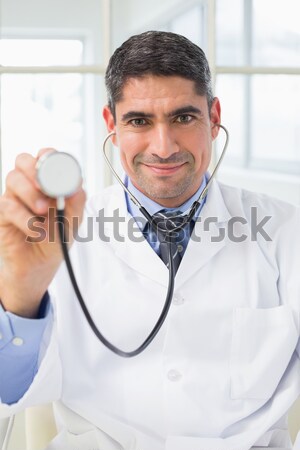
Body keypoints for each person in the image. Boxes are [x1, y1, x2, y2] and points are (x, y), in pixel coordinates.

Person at [0, 30, 299, 450]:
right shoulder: (55, 236)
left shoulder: (285, 231)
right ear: (112, 125)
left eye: (183, 117)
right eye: (139, 121)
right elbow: (8, 393)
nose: (163, 147)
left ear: (214, 119)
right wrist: (20, 294)